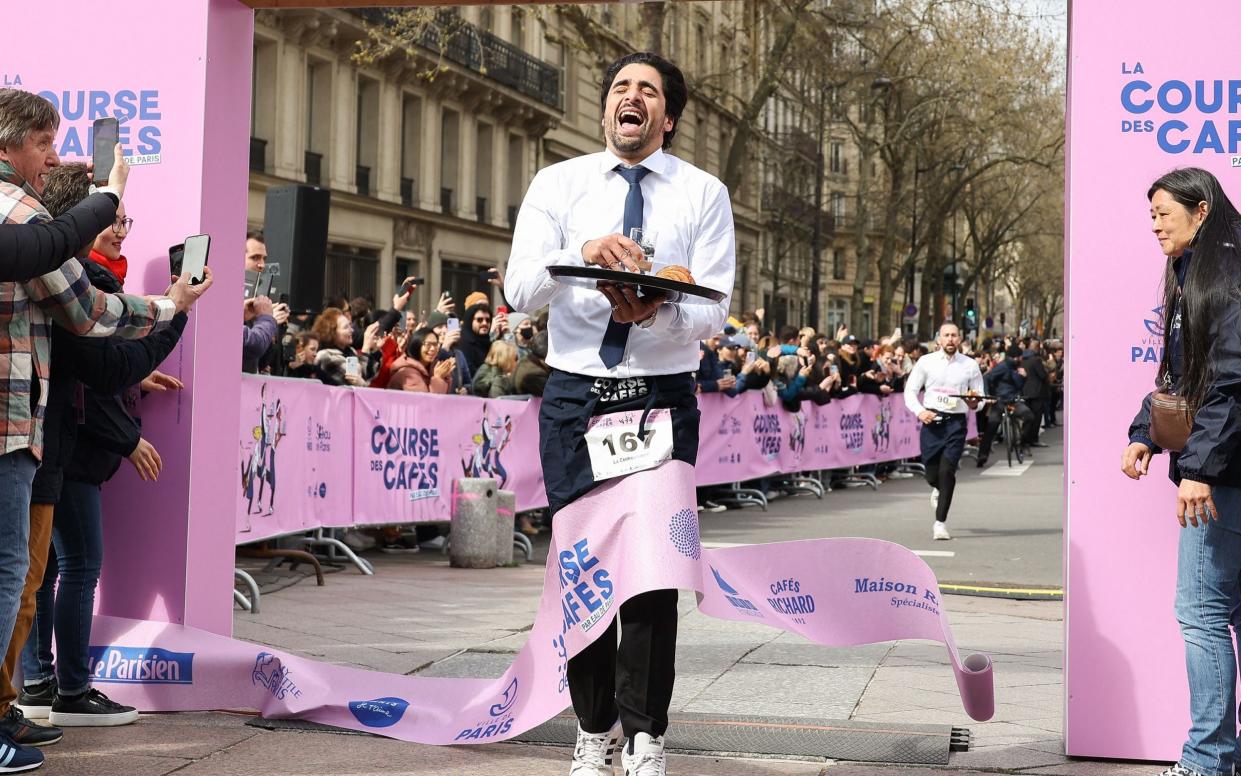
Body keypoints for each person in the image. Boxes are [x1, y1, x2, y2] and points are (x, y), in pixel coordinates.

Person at [506, 51, 734, 776]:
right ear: (606, 109)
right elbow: (519, 289)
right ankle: (594, 729)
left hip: (660, 395)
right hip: (575, 396)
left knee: (650, 573)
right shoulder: (557, 183)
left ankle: (644, 738)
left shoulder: (703, 193)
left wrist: (659, 305)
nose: (628, 98)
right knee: (582, 572)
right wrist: (581, 250)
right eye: (618, 89)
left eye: (647, 92)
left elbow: (712, 310)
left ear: (666, 118)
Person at [0, 88, 209, 771]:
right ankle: (33, 701)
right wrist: (172, 306)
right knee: (19, 577)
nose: (52, 155)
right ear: (9, 145)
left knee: (30, 577)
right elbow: (89, 319)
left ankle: (11, 702)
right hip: (15, 432)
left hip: (28, 434)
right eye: (43, 142)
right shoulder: (23, 214)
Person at [17, 164, 191, 729]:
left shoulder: (73, 274)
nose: (120, 229)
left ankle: (38, 686)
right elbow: (103, 362)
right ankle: (62, 687)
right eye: (111, 218)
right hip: (50, 448)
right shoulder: (73, 276)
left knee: (34, 573)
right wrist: (173, 309)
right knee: (59, 568)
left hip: (47, 446)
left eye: (124, 220)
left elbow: (93, 363)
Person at [1122, 168, 1241, 776]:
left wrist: (1197, 468)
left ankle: (1207, 759)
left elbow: (1230, 381)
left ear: (1200, 210)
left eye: (1163, 214)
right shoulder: (1198, 270)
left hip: (1224, 473)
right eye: (1151, 216)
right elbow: (1183, 376)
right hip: (1223, 464)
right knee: (1232, 612)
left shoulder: (1227, 277)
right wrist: (1147, 431)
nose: (1154, 225)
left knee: (1200, 612)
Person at [903, 323, 984, 541]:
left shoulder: (970, 365)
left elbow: (979, 398)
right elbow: (910, 391)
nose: (950, 339)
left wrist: (975, 402)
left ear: (960, 339)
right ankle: (937, 488)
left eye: (954, 336)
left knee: (947, 471)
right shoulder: (926, 362)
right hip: (931, 421)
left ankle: (940, 523)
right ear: (938, 339)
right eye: (946, 335)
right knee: (931, 473)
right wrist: (920, 412)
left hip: (956, 424)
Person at [977, 345, 1035, 467]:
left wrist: (1024, 377)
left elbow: (1019, 386)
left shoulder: (1017, 368)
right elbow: (986, 377)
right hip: (1000, 401)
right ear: (1016, 357)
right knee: (992, 426)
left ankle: (1021, 442)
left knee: (1028, 416)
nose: (1021, 359)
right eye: (1020, 357)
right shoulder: (1003, 366)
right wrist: (988, 395)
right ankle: (983, 454)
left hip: (1013, 401)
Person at [387, 327, 454, 393]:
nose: (433, 349)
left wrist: (445, 376)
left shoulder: (432, 367)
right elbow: (425, 401)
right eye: (428, 345)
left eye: (435, 344)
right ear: (417, 346)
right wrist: (438, 378)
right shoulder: (408, 373)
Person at [458, 302, 493, 376]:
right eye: (479, 320)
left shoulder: (487, 341)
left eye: (488, 320)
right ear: (470, 321)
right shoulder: (463, 343)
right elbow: (470, 372)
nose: (484, 323)